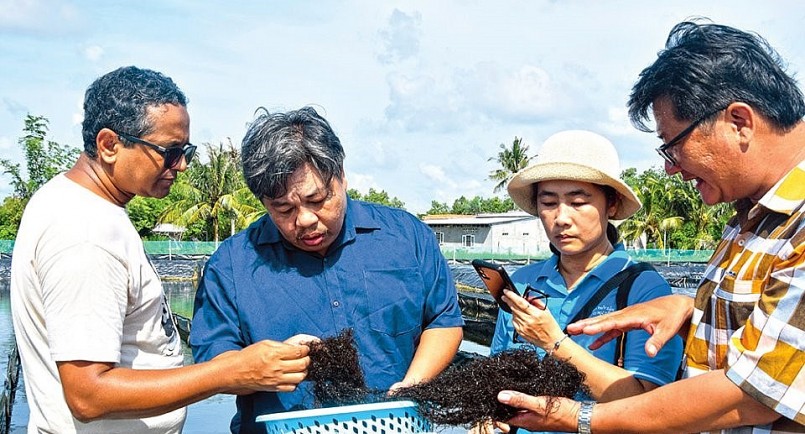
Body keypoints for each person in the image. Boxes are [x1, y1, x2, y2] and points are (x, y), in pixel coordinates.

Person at [493, 20, 805, 434]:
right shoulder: (749, 219)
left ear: (739, 122)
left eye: (673, 144)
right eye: (548, 202)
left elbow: (752, 393)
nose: (669, 166)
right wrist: (692, 310)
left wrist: (574, 415)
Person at [10, 66, 311, 434]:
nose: (181, 165)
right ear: (109, 145)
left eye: (185, 151)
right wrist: (230, 371)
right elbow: (87, 395)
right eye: (169, 152)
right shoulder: (85, 234)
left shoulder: (78, 205)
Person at [190, 106, 465, 433]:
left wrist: (410, 388)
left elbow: (443, 321)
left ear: (342, 176)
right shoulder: (231, 265)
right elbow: (213, 365)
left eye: (318, 199)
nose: (305, 219)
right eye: (284, 209)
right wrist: (258, 367)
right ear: (264, 203)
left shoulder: (408, 238)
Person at [486, 130, 682, 433]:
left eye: (578, 202)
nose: (561, 218)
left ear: (612, 205)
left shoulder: (644, 289)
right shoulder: (522, 282)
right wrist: (487, 416)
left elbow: (650, 407)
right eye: (548, 203)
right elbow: (496, 374)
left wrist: (554, 342)